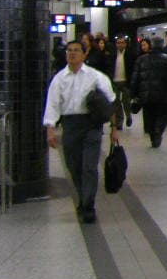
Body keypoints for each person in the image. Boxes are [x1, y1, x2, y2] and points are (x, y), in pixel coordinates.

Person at [42, 38, 120, 223]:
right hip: (70, 125)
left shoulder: (96, 76)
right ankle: (83, 198)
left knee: (89, 167)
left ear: (84, 54)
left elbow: (111, 102)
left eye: (76, 50)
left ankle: (88, 205)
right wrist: (50, 130)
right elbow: (52, 104)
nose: (72, 53)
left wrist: (114, 128)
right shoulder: (59, 79)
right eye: (69, 50)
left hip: (91, 125)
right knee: (74, 167)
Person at [130, 36, 167, 147]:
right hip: (164, 95)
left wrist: (133, 93)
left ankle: (153, 136)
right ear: (162, 44)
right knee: (162, 116)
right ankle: (158, 131)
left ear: (152, 45)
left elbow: (135, 78)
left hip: (146, 95)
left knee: (149, 116)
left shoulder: (141, 59)